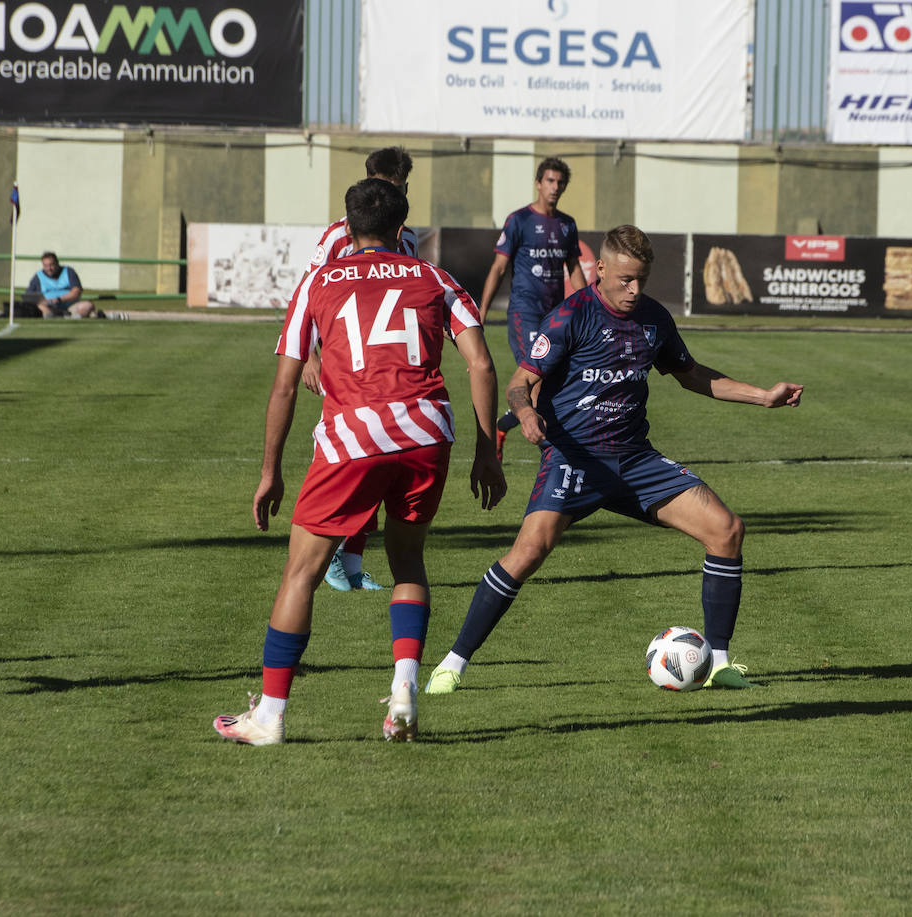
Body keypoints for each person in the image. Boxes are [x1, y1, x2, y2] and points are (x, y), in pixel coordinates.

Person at [425, 225, 803, 695]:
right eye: (625, 279)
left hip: (634, 460)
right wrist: (524, 414)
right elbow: (520, 381)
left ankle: (720, 664)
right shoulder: (571, 315)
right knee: (528, 553)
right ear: (599, 269)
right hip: (574, 458)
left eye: (641, 280)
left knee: (726, 531)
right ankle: (452, 664)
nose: (634, 290)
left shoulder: (654, 318)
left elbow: (691, 375)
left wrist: (762, 396)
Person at [213, 178, 507, 746]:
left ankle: (269, 717)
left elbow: (284, 387)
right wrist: (487, 454)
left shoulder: (318, 281)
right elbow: (482, 365)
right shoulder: (435, 277)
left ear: (346, 229)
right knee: (408, 562)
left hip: (353, 436)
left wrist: (270, 471)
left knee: (301, 574)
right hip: (426, 434)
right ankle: (404, 692)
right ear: (403, 230)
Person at [302, 146, 418, 592]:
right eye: (388, 187)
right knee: (353, 455)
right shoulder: (337, 237)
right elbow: (307, 294)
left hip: (390, 366)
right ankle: (331, 552)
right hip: (346, 362)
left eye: (400, 188)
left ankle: (350, 561)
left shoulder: (407, 239)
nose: (394, 195)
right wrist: (311, 355)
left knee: (382, 456)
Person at [480, 156, 587, 459]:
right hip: (524, 313)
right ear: (538, 183)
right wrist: (482, 311)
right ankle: (552, 452)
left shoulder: (567, 224)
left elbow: (574, 268)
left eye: (560, 182)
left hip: (554, 316)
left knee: (554, 384)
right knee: (535, 382)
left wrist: (591, 305)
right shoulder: (519, 220)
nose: (555, 187)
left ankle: (504, 425)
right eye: (550, 181)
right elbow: (499, 268)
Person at [29, 252, 98, 318]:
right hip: (49, 307)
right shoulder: (38, 276)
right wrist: (44, 301)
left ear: (57, 263)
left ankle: (75, 317)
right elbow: (29, 296)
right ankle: (50, 315)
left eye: (51, 265)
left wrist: (59, 299)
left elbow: (76, 291)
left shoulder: (68, 271)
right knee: (40, 306)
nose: (49, 269)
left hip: (70, 307)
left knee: (87, 305)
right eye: (46, 266)